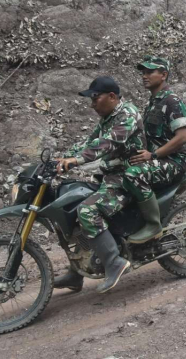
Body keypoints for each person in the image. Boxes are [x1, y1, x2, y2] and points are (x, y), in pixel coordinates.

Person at [53, 77, 144, 293]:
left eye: (95, 98)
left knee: (87, 211)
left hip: (129, 177)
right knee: (73, 209)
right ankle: (78, 271)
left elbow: (108, 143)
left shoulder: (127, 115)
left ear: (112, 97)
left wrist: (76, 161)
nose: (92, 104)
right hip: (109, 176)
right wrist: (61, 158)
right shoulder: (107, 118)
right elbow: (89, 143)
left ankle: (114, 262)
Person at [125, 56, 186, 243]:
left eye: (150, 72)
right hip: (156, 160)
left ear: (164, 75)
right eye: (143, 72)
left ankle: (153, 226)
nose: (144, 76)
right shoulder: (153, 103)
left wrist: (152, 155)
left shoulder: (172, 101)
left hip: (174, 162)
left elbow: (183, 137)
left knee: (133, 175)